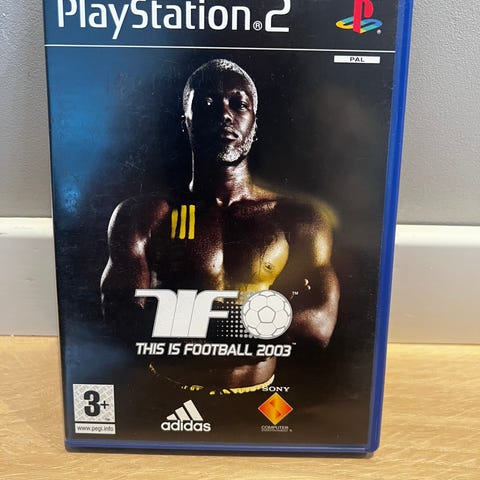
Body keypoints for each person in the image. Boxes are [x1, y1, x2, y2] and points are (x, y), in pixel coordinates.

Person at [100, 59, 339, 395]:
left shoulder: (298, 218)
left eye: (238, 104)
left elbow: (319, 325)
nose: (224, 115)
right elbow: (121, 316)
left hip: (257, 396)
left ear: (254, 123)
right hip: (168, 392)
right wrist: (257, 328)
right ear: (186, 122)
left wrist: (186, 324)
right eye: (208, 104)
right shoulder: (144, 215)